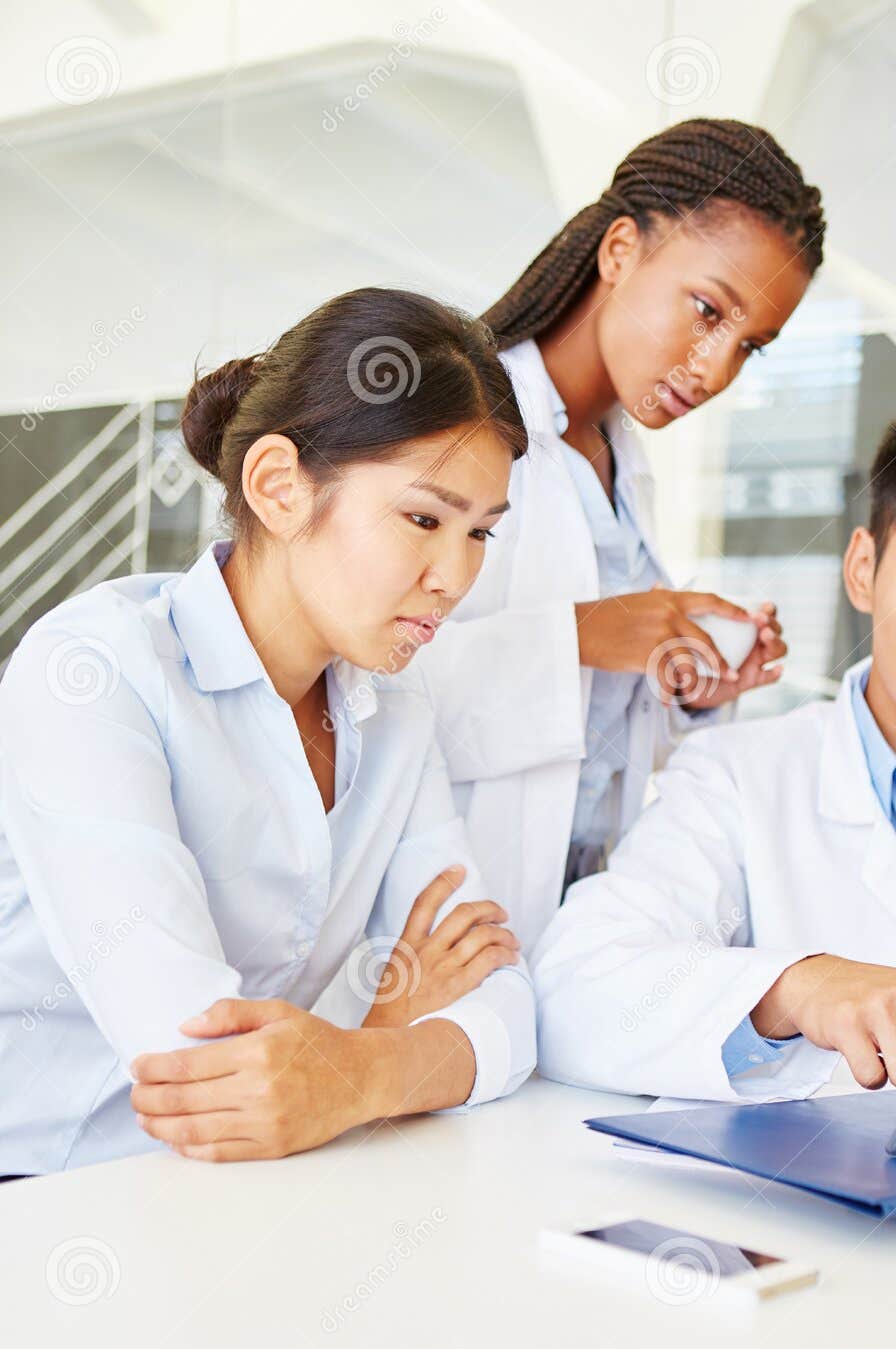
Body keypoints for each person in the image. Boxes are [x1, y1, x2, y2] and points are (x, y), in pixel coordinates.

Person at [0, 289, 537, 1174]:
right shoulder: (95, 670)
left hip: (226, 1196)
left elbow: (507, 1006)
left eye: (479, 532)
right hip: (34, 1194)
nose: (454, 576)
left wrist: (356, 1070)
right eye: (424, 519)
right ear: (280, 487)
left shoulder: (396, 716)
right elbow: (199, 1058)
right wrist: (379, 1046)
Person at [533, 379, 896, 1102]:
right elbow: (572, 994)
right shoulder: (737, 778)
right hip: (812, 1213)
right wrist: (796, 989)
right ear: (861, 570)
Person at [410, 118, 825, 950]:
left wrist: (685, 680)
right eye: (707, 310)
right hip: (436, 914)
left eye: (749, 347)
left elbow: (598, 742)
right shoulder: (450, 425)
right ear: (621, 250)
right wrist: (581, 637)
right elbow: (350, 690)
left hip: (579, 915)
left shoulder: (618, 465)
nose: (713, 370)